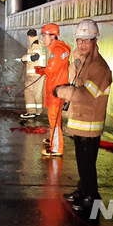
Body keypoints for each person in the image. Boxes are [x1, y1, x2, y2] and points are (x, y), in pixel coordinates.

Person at [55, 19, 112, 211]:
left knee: (87, 165)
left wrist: (61, 91)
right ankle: (82, 191)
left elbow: (85, 95)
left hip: (90, 123)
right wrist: (76, 61)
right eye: (79, 40)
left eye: (87, 40)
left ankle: (91, 197)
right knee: (82, 163)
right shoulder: (85, 62)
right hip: (80, 121)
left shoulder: (99, 67)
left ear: (95, 41)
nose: (82, 44)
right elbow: (74, 79)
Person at [35, 23, 70, 157]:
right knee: (56, 119)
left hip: (55, 89)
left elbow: (51, 70)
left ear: (53, 36)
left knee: (54, 119)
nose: (43, 39)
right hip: (59, 88)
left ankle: (56, 149)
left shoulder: (56, 51)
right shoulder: (62, 48)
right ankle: (54, 141)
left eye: (44, 35)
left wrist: (42, 70)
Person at [20, 29, 46, 119]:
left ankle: (31, 112)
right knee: (38, 93)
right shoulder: (41, 44)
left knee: (28, 91)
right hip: (42, 73)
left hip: (35, 72)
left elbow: (36, 56)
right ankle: (38, 111)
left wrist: (25, 58)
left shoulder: (35, 45)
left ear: (29, 37)